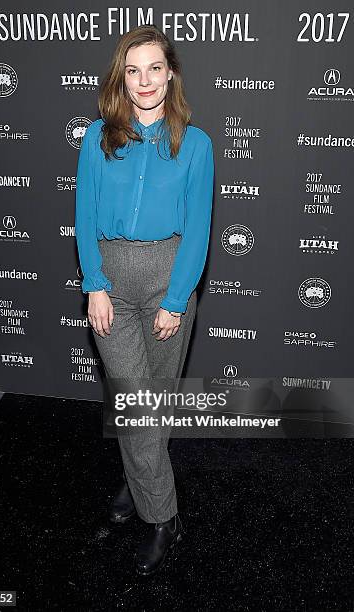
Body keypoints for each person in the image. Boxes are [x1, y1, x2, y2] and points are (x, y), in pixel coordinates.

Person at [75, 24, 215, 577]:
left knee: (151, 404)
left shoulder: (196, 143)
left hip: (169, 276)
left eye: (154, 68)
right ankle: (164, 517)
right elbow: (84, 217)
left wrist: (176, 299)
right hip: (110, 278)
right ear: (122, 78)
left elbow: (200, 230)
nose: (144, 80)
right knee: (137, 404)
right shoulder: (97, 136)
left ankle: (137, 484)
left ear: (171, 73)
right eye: (133, 70)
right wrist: (94, 283)